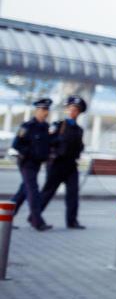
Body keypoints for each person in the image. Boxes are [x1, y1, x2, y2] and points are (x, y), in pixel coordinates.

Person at [39, 95, 87, 229]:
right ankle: (35, 217)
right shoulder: (58, 125)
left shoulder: (79, 130)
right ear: (66, 110)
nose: (73, 112)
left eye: (76, 110)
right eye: (70, 109)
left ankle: (72, 221)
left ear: (79, 112)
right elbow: (47, 142)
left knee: (73, 193)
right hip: (57, 164)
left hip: (71, 165)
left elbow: (79, 146)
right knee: (48, 192)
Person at [10, 97, 55, 230]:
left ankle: (6, 216)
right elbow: (16, 144)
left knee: (24, 190)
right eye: (42, 109)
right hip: (26, 163)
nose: (45, 112)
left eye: (46, 110)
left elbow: (47, 145)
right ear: (37, 110)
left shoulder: (46, 127)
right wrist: (28, 152)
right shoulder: (27, 126)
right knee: (33, 190)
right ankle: (37, 222)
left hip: (37, 164)